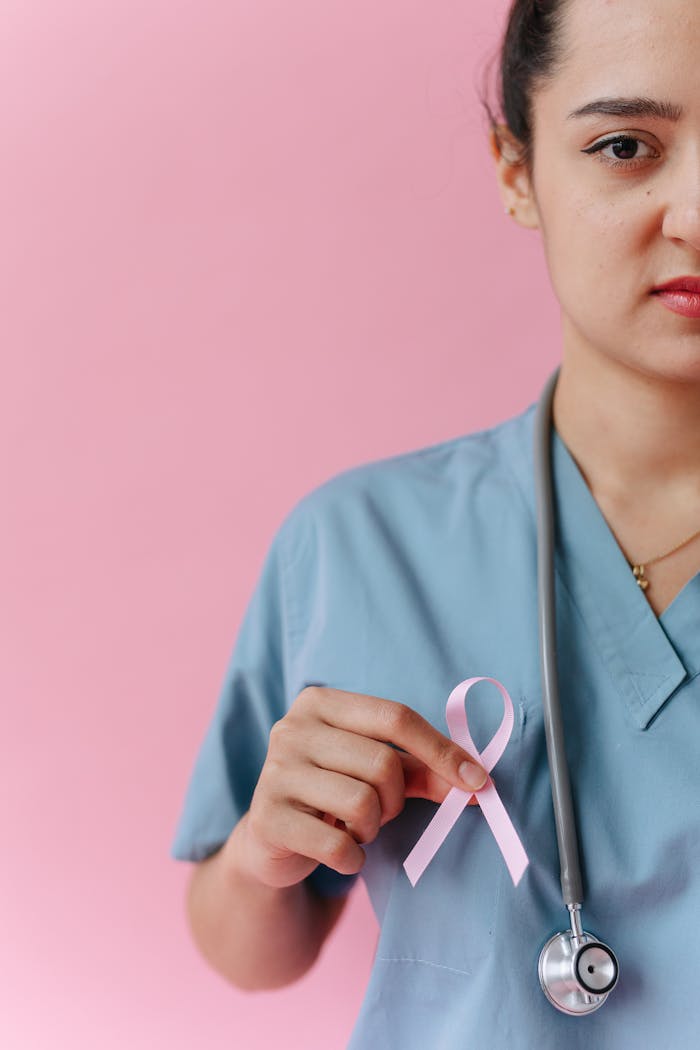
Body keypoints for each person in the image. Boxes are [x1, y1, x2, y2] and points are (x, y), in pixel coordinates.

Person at [170, 0, 700, 1045]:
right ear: (517, 171)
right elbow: (247, 948)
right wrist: (266, 853)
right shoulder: (360, 544)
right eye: (624, 146)